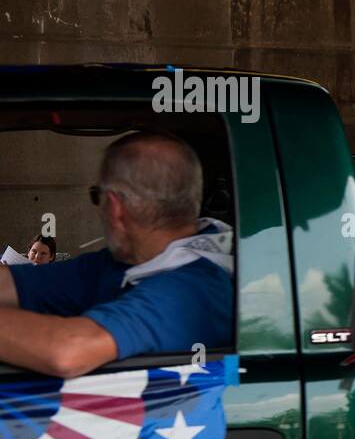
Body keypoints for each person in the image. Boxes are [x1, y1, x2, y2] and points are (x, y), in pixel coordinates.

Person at [0, 132, 234, 377]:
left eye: (96, 196)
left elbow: (68, 351)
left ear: (114, 207)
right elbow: (12, 284)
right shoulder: (121, 263)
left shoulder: (195, 289)